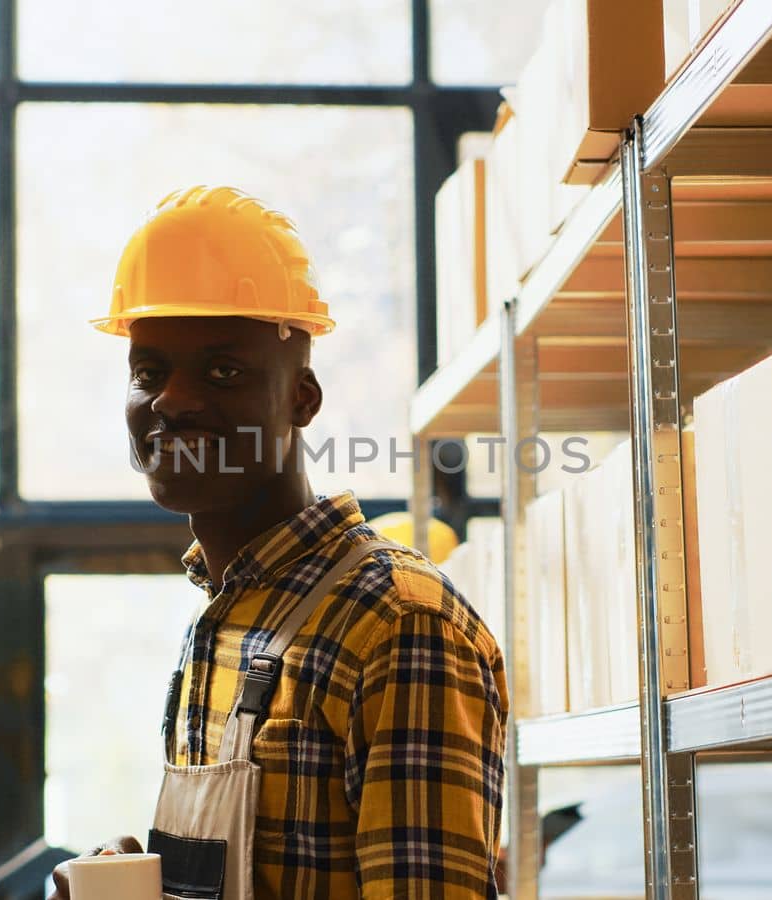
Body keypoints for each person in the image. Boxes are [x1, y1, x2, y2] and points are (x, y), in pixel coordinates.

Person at [51, 185, 508, 900]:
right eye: (149, 374)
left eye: (223, 370)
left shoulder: (396, 624)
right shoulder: (224, 619)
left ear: (303, 399)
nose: (171, 400)